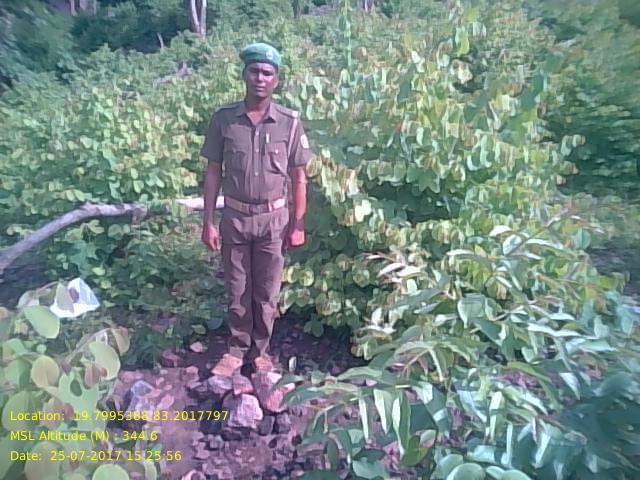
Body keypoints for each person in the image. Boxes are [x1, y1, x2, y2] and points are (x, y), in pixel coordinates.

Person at [200, 42, 312, 377]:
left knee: (267, 291)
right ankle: (236, 350)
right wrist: (208, 222)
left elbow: (299, 177)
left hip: (273, 220)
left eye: (267, 73)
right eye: (254, 71)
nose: (260, 78)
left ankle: (260, 352)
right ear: (244, 74)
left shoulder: (289, 122)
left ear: (276, 80)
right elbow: (213, 172)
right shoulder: (224, 120)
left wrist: (298, 225)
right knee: (237, 289)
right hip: (234, 217)